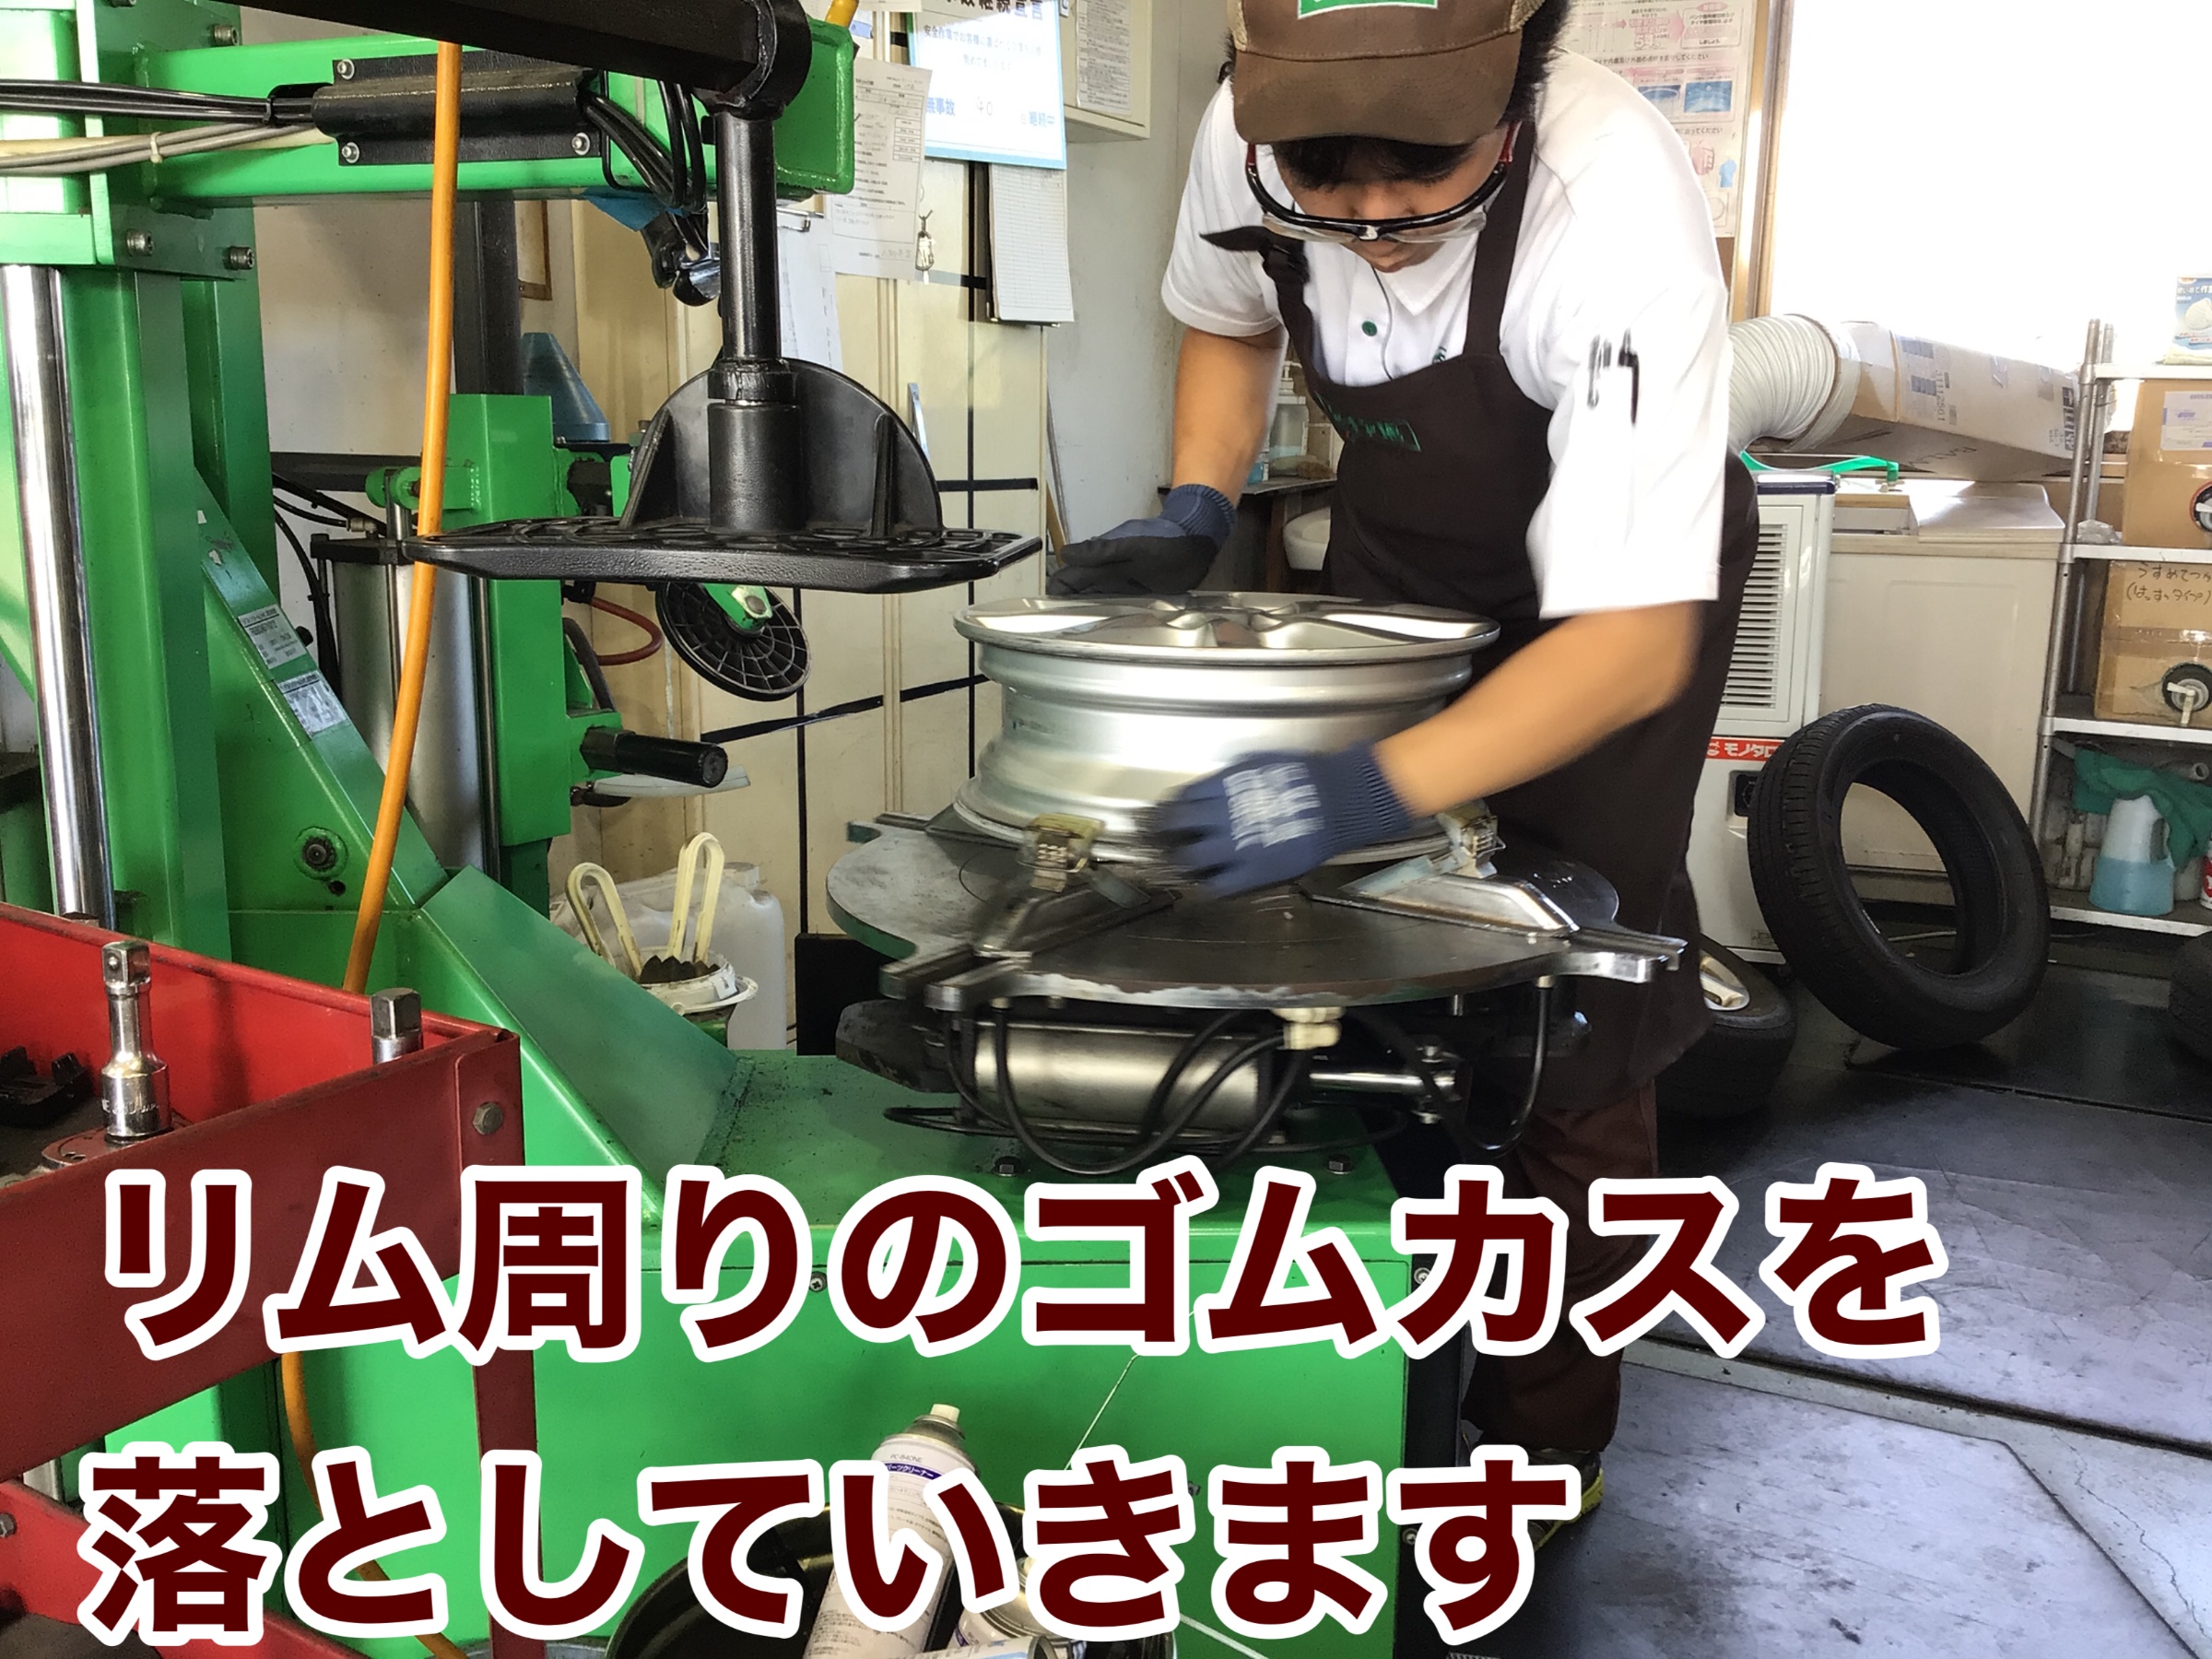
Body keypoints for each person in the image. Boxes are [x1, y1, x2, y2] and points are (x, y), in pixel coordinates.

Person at [1050, 0, 1759, 1543]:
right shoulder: (1248, 132)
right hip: (1405, 563)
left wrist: (1360, 794)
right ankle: (1346, 1385)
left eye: (1423, 173)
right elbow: (1231, 312)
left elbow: (1629, 643)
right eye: (1326, 182)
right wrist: (1194, 501)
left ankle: (1540, 1444)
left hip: (1613, 604)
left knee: (1565, 970)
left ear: (1512, 88)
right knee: (1339, 950)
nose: (1372, 226)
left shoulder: (1610, 200)